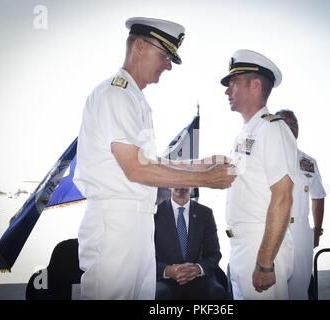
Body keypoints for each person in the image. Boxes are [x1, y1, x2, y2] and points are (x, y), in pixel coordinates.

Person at [73, 17, 235, 300]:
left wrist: (202, 163)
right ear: (139, 46)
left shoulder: (136, 100)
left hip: (137, 224)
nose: (168, 65)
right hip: (115, 224)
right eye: (164, 55)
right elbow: (135, 168)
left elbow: (148, 163)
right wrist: (206, 179)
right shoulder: (116, 94)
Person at [221, 49, 297, 299]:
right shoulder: (246, 133)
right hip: (243, 245)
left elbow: (283, 197)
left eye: (233, 83)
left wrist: (265, 262)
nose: (227, 90)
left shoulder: (273, 129)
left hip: (260, 245)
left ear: (254, 86)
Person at [275, 109, 326, 300]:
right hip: (271, 230)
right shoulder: (262, 159)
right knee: (272, 290)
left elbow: (318, 196)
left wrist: (317, 230)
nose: (291, 127)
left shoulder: (308, 162)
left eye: (294, 124)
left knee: (299, 290)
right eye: (285, 123)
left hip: (301, 231)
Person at [154, 187, 228, 300]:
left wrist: (197, 268)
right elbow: (147, 257)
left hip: (198, 277)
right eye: (177, 179)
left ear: (193, 185)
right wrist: (168, 270)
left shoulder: (205, 213)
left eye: (186, 181)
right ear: (169, 184)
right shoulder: (155, 214)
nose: (182, 185)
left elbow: (214, 254)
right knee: (160, 295)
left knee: (217, 292)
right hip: (166, 279)